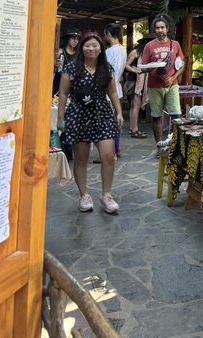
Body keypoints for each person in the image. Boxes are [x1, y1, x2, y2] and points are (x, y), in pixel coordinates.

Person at [57, 32, 124, 214]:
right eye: (87, 45)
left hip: (102, 115)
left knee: (108, 156)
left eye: (95, 45)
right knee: (81, 159)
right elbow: (63, 94)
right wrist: (61, 119)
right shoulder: (71, 68)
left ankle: (106, 195)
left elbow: (112, 92)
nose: (91, 48)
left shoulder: (106, 68)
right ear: (82, 48)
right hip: (79, 115)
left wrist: (119, 111)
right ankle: (84, 195)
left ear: (101, 48)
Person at [141, 15, 185, 147]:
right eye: (157, 28)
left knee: (176, 116)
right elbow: (143, 67)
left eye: (162, 27)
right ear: (154, 30)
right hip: (154, 86)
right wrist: (152, 68)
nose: (160, 30)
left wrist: (173, 78)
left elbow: (182, 65)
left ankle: (176, 146)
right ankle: (159, 146)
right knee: (156, 117)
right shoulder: (149, 46)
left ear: (167, 29)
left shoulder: (175, 44)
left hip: (172, 85)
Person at [104, 23, 127, 158]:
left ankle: (110, 152)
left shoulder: (109, 52)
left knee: (107, 122)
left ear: (108, 34)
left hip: (108, 90)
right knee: (116, 121)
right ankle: (116, 149)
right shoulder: (123, 50)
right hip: (118, 88)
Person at [124, 37, 152, 138]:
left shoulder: (146, 53)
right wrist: (135, 70)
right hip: (134, 82)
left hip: (138, 82)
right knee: (136, 105)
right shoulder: (136, 52)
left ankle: (132, 128)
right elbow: (126, 65)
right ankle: (135, 130)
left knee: (134, 105)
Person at [53, 29, 81, 95]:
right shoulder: (60, 52)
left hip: (72, 83)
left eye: (77, 39)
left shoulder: (78, 54)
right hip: (59, 81)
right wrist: (54, 63)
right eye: (73, 38)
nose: (75, 41)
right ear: (68, 38)